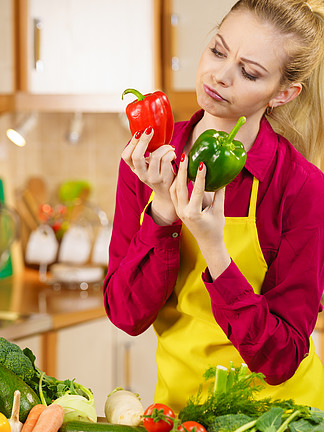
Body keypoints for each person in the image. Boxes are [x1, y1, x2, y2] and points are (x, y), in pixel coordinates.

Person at [103, 0, 324, 412]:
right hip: (180, 412)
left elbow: (282, 359)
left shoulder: (302, 188)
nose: (220, 76)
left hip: (276, 417)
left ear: (283, 94)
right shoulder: (148, 159)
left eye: (249, 72)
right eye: (218, 50)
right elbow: (125, 315)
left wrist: (215, 251)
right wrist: (163, 213)